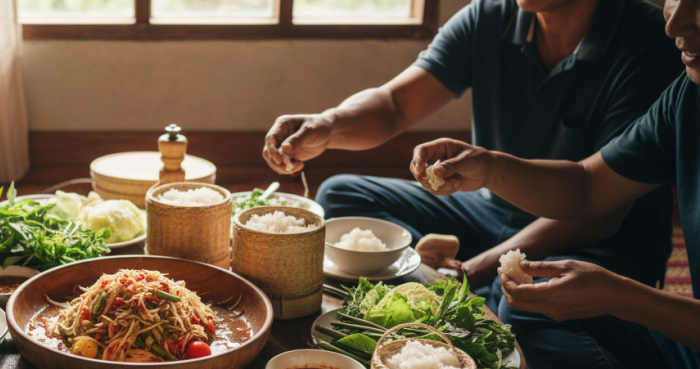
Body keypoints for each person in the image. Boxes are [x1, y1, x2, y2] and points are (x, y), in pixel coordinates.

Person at [402, 0, 700, 369]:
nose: (676, 22)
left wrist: (618, 294)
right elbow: (587, 186)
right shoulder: (686, 97)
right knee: (535, 301)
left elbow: (602, 220)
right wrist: (490, 166)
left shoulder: (644, 45)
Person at [263, 0, 681, 309]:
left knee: (518, 298)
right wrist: (328, 124)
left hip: (597, 243)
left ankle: (459, 289)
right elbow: (395, 104)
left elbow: (597, 208)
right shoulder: (489, 17)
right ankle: (452, 288)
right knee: (340, 196)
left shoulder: (647, 43)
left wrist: (479, 266)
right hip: (492, 211)